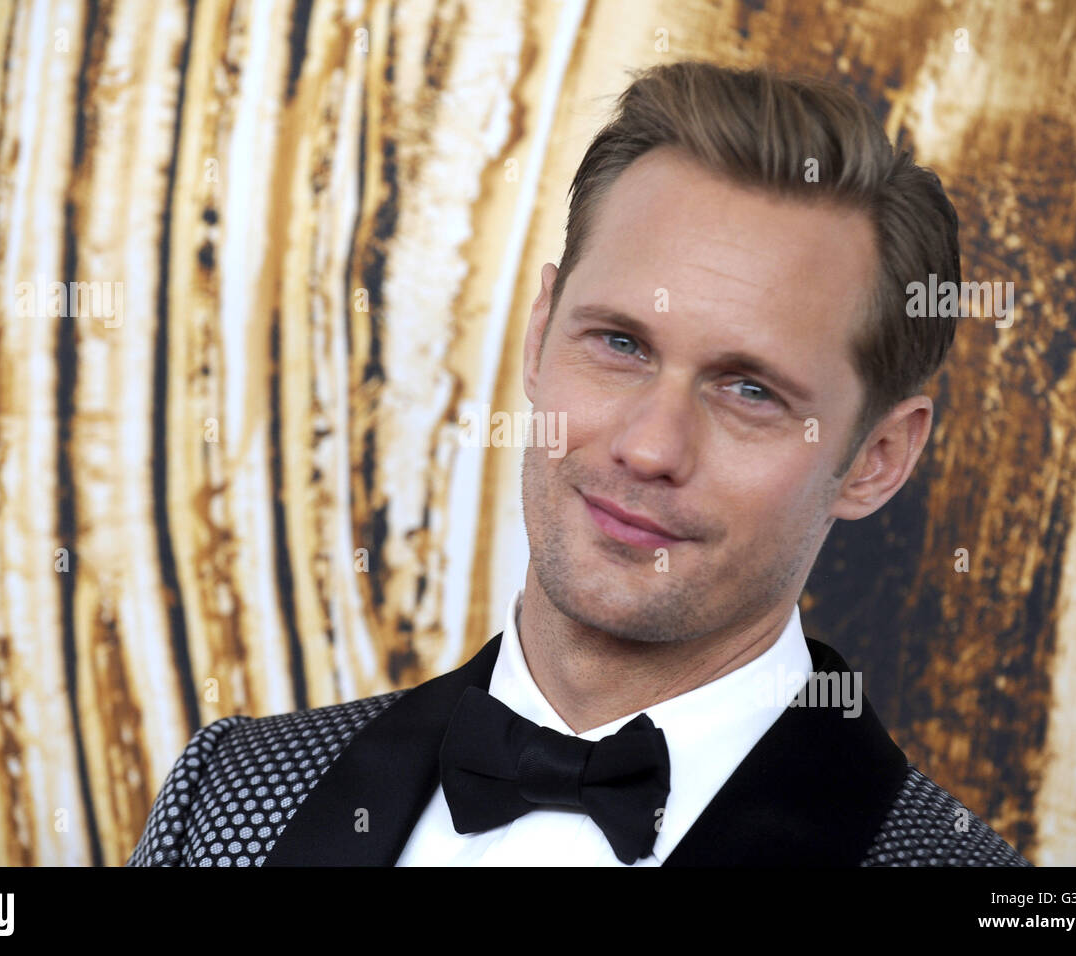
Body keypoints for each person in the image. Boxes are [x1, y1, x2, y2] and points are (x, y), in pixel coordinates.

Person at [128, 60, 1029, 867]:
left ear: (877, 458)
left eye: (749, 391)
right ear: (539, 334)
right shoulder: (230, 795)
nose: (648, 447)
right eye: (620, 344)